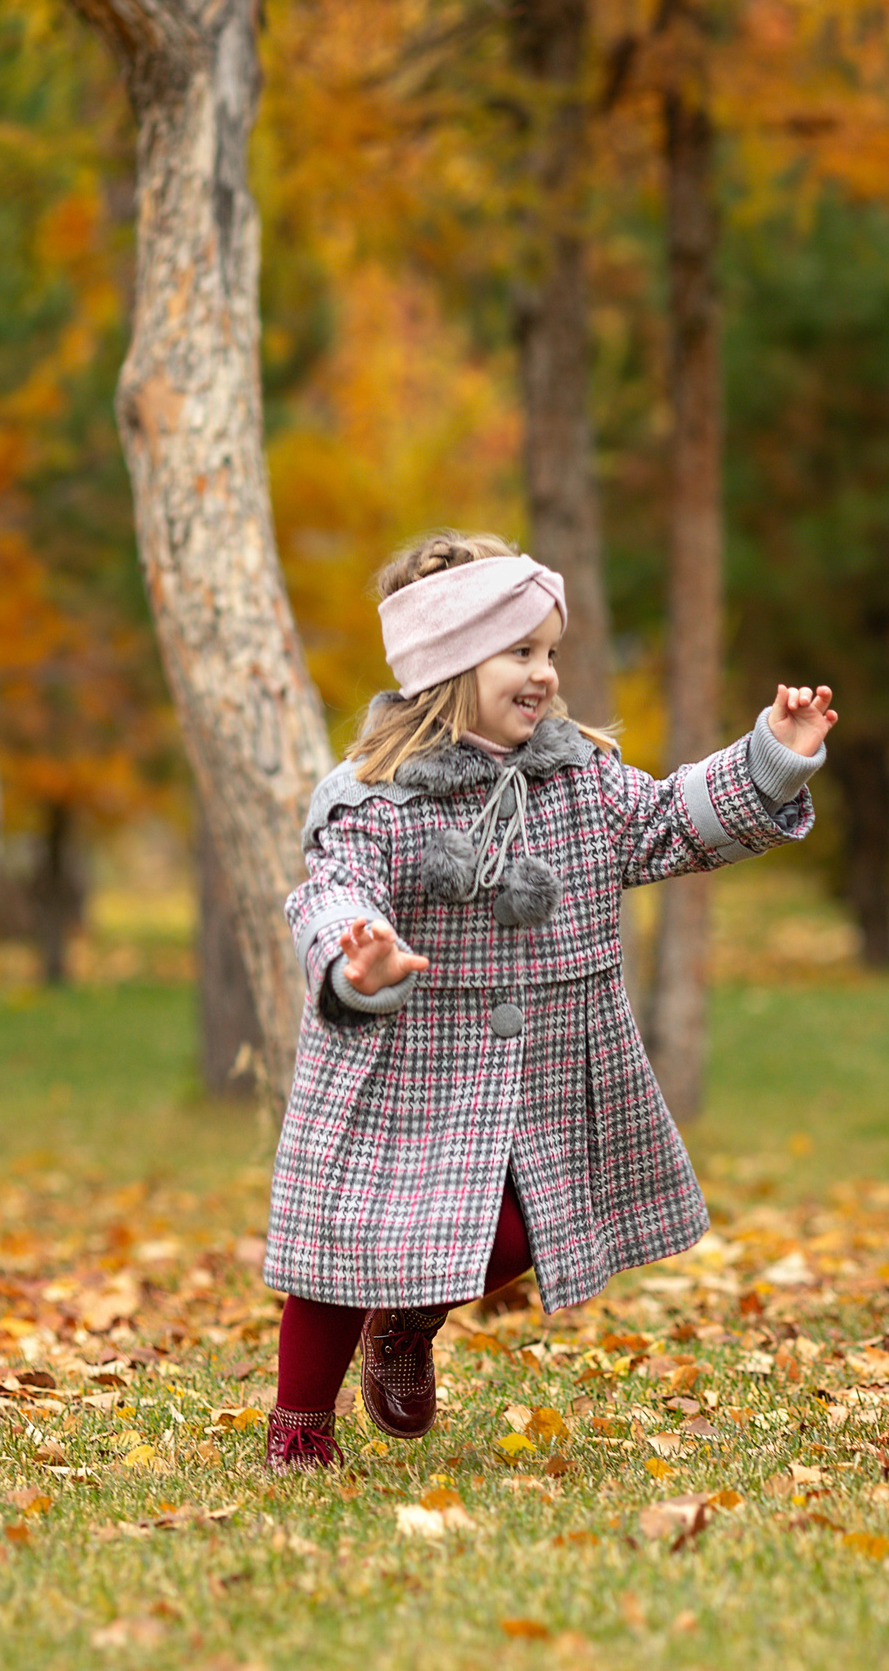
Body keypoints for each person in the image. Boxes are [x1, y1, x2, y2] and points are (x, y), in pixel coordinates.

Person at [259, 531, 838, 1470]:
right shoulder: (375, 798)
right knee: (342, 1248)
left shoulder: (579, 780)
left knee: (526, 1222)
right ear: (448, 664)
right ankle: (300, 1424)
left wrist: (772, 757)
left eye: (549, 651)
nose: (544, 673)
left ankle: (406, 1319)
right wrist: (356, 958)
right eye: (519, 651)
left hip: (538, 1071)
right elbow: (331, 891)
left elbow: (670, 820)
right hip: (403, 1069)